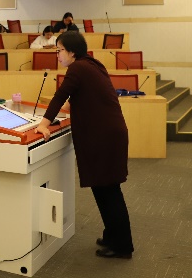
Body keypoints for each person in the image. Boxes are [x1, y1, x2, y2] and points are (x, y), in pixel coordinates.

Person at [35, 32, 134, 259]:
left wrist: (43, 124)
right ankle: (112, 236)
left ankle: (123, 246)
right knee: (104, 188)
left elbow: (60, 96)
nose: (58, 55)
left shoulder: (78, 68)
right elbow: (78, 99)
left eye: (59, 50)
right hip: (109, 134)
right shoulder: (92, 65)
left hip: (104, 137)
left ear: (72, 51)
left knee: (108, 190)